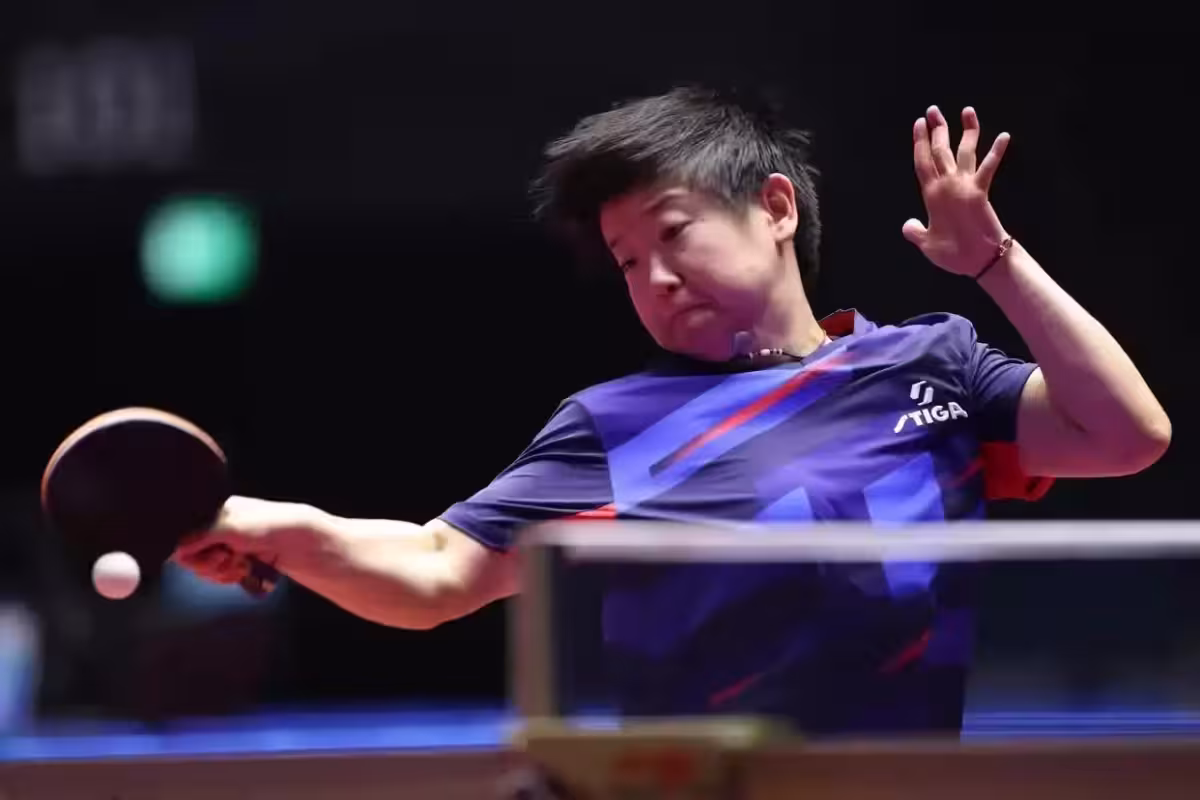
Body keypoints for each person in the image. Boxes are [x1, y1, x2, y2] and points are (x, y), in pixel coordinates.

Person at [174, 87, 1171, 735]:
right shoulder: (617, 424)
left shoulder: (930, 365)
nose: (652, 276)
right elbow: (437, 570)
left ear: (775, 208)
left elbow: (1127, 436)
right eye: (626, 261)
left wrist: (995, 262)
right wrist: (280, 530)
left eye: (674, 232)